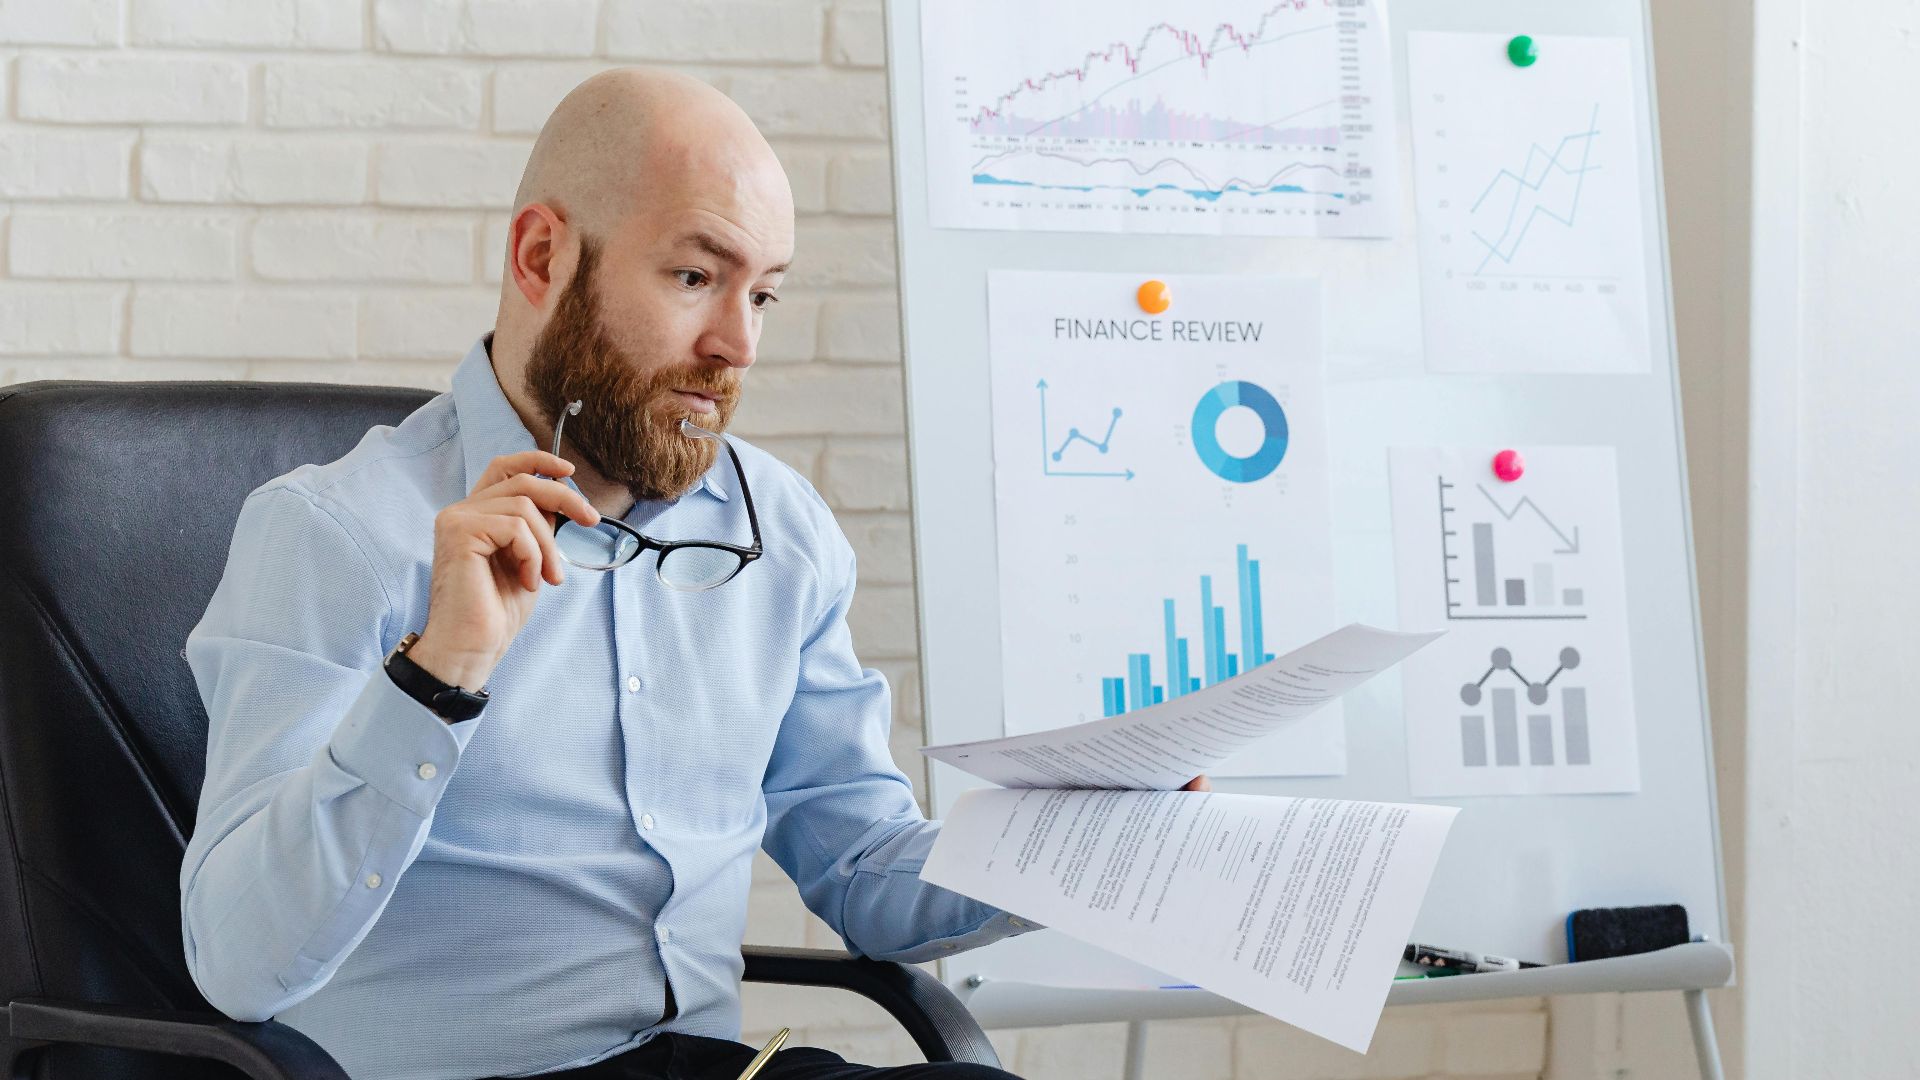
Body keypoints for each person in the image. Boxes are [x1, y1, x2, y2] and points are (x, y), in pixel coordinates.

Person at [180, 67, 1207, 1080]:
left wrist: (1084, 847)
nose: (739, 344)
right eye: (694, 278)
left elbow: (860, 867)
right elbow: (238, 965)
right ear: (542, 258)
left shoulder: (780, 531)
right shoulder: (334, 534)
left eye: (762, 293)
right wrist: (436, 678)